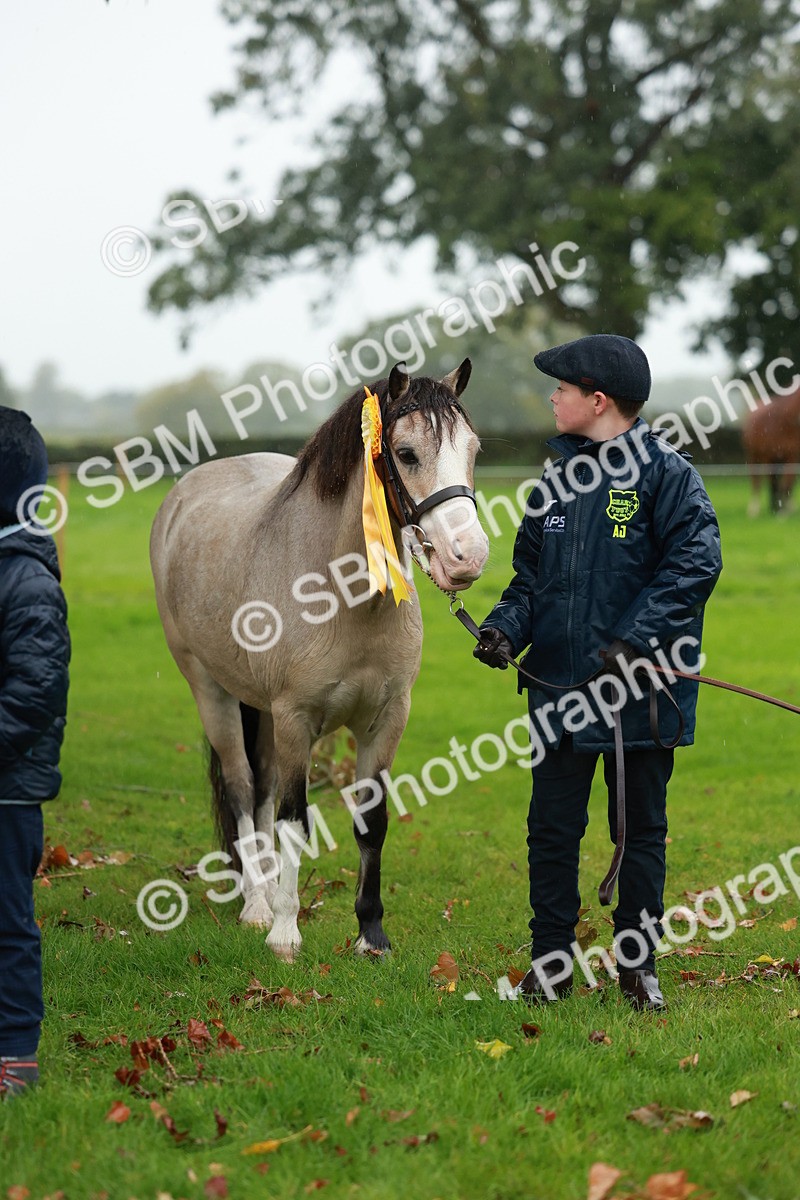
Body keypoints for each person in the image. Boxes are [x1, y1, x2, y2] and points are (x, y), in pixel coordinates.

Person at [474, 335, 722, 1010]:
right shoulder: (553, 482)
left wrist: (634, 641)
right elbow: (530, 580)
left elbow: (696, 564)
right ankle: (551, 963)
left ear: (598, 400)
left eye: (563, 388)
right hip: (558, 694)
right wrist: (504, 628)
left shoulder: (668, 475)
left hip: (642, 695)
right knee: (551, 831)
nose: (552, 397)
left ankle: (638, 967)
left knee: (638, 832)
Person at [0, 407, 70, 1095]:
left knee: (8, 922)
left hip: (9, 791)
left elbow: (35, 692)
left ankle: (15, 1052)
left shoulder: (27, 583)